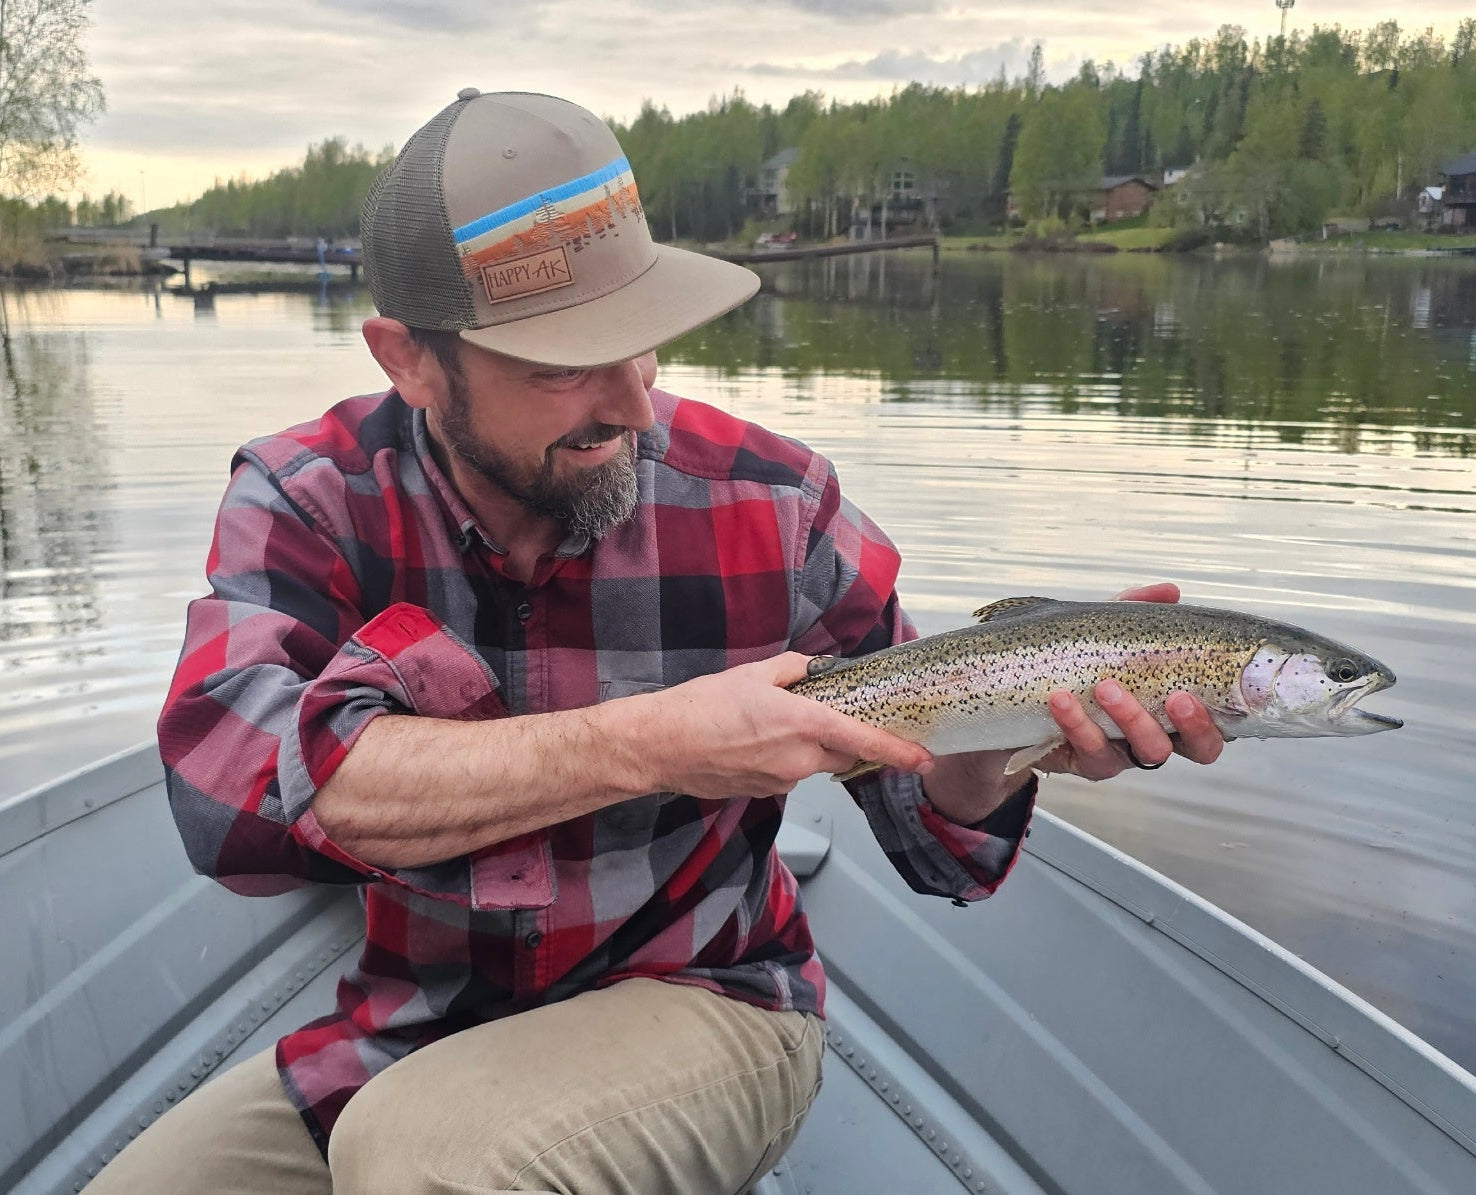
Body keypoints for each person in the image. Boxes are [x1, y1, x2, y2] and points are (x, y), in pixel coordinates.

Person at [90, 89, 1226, 1195]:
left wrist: (1014, 743)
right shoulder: (308, 496)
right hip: (416, 1029)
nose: (634, 406)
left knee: (431, 1162)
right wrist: (656, 744)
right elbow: (227, 797)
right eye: (562, 364)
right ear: (410, 361)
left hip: (715, 1001)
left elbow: (937, 841)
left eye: (642, 343)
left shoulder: (778, 506)